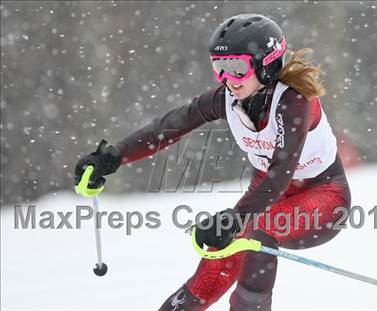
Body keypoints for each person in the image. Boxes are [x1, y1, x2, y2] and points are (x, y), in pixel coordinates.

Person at [74, 13, 351, 311]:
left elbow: (280, 173)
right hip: (265, 199)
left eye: (236, 68)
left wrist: (236, 218)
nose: (227, 79)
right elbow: (169, 127)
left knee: (256, 232)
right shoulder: (227, 99)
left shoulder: (294, 102)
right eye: (219, 68)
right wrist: (112, 157)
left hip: (323, 197)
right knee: (218, 258)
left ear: (266, 64)